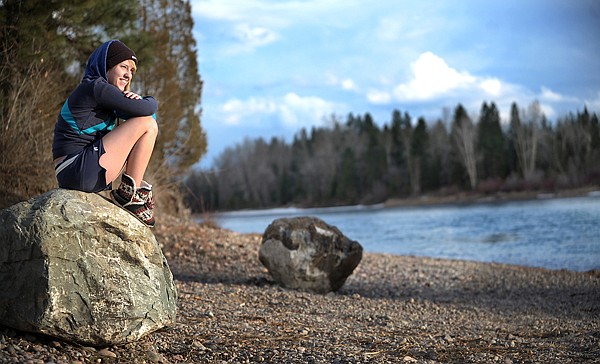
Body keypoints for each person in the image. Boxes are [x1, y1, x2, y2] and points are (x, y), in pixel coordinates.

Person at [52, 40, 158, 227]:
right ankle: (129, 194)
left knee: (147, 123)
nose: (128, 75)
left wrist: (139, 102)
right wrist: (145, 100)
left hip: (78, 170)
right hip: (75, 167)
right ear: (106, 66)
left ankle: (134, 191)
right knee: (146, 123)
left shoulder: (106, 96)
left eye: (132, 71)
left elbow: (148, 114)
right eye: (123, 67)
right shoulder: (95, 87)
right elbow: (149, 110)